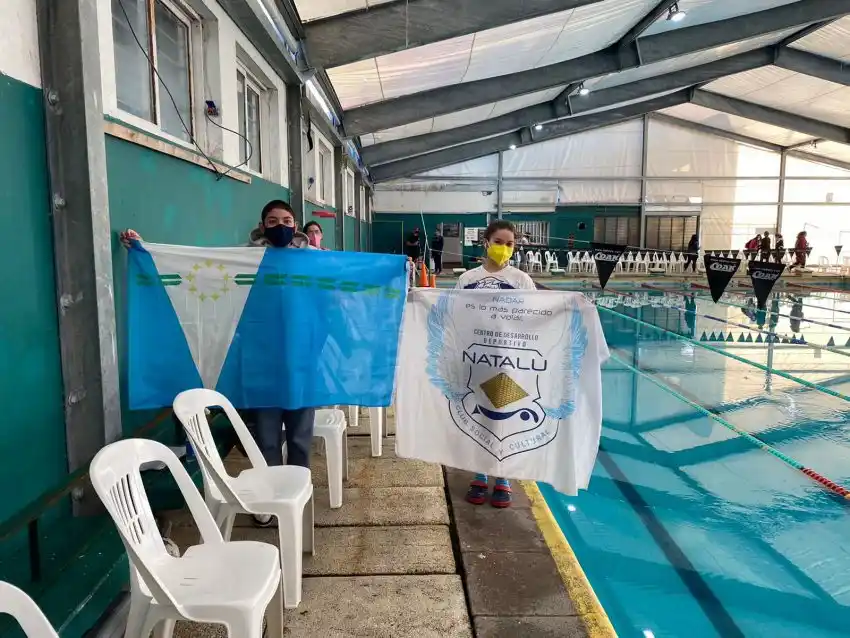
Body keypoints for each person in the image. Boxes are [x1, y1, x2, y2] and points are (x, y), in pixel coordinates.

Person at [122, 200, 317, 529]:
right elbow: (201, 270)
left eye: (286, 219)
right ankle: (268, 499)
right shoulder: (244, 258)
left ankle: (299, 496)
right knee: (266, 438)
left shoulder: (313, 260)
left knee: (300, 438)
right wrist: (143, 248)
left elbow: (342, 288)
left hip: (301, 364)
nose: (279, 225)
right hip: (261, 363)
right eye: (272, 220)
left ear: (295, 224)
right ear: (262, 224)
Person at [456, 220, 535, 508]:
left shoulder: (521, 280)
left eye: (510, 244)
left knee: (504, 417)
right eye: (499, 242)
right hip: (477, 358)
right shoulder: (467, 279)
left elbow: (534, 318)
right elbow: (456, 315)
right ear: (486, 243)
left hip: (508, 358)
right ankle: (480, 473)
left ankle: (502, 477)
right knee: (479, 416)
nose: (504, 248)